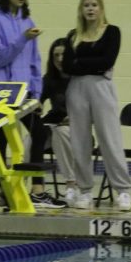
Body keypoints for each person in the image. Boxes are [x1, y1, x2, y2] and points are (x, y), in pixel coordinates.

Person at [0, 0, 65, 209]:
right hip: (1, 91)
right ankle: (3, 191)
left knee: (38, 133)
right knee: (1, 139)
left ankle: (37, 191)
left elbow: (35, 61)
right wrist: (21, 39)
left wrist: (37, 95)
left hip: (24, 93)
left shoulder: (28, 22)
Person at [63, 0, 131, 211]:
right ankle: (85, 191)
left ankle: (122, 191)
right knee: (80, 141)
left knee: (110, 140)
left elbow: (107, 60)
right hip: (76, 89)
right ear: (81, 10)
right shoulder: (73, 36)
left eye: (94, 5)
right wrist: (90, 63)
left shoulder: (112, 32)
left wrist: (81, 64)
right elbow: (66, 65)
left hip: (101, 87)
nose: (90, 9)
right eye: (86, 6)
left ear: (101, 8)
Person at [40, 37, 80, 205]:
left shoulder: (80, 79)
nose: (59, 59)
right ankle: (35, 188)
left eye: (63, 55)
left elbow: (92, 108)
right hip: (53, 123)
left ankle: (71, 184)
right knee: (32, 138)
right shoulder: (49, 79)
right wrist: (35, 105)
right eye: (55, 55)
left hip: (78, 129)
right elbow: (38, 101)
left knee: (61, 132)